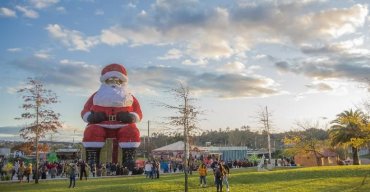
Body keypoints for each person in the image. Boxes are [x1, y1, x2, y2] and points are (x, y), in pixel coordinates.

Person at [81, 63, 143, 171]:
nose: (114, 83)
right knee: (92, 131)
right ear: (105, 81)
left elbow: (138, 112)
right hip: (100, 124)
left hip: (122, 124)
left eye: (118, 80)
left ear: (122, 82)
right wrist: (91, 117)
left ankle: (128, 160)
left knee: (131, 131)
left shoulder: (129, 97)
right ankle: (92, 159)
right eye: (110, 80)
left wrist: (131, 117)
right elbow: (85, 111)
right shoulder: (97, 96)